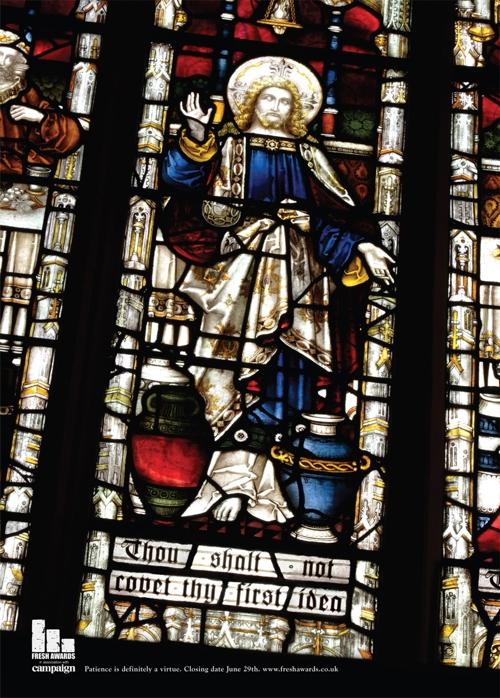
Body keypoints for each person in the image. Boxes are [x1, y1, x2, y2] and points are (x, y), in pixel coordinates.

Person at [161, 57, 393, 523]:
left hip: (304, 291)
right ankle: (227, 481)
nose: (274, 107)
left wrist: (358, 245)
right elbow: (178, 187)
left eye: (285, 101)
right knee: (229, 373)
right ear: (249, 102)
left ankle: (274, 489)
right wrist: (198, 136)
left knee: (289, 379)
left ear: (297, 111)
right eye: (266, 97)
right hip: (236, 284)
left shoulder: (310, 157)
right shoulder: (229, 146)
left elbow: (338, 218)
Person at [0, 29, 82, 176]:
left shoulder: (27, 95)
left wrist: (40, 118)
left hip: (15, 169)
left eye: (9, 58)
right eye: (0, 54)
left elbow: (69, 135)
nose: (2, 63)